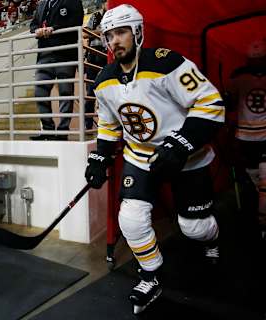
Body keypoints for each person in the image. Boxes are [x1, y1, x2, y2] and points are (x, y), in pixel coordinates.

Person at [85, 4, 225, 314]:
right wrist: (99, 156)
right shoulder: (104, 80)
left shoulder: (168, 63)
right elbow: (109, 125)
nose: (115, 41)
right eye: (109, 35)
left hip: (187, 156)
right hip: (142, 157)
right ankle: (151, 274)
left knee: (194, 228)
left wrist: (181, 143)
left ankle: (212, 239)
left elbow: (210, 104)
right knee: (131, 219)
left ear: (137, 32)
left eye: (121, 32)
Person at [227, 39, 266, 239]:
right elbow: (229, 103)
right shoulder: (240, 76)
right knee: (262, 182)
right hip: (248, 137)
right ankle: (264, 221)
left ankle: (263, 224)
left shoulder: (240, 75)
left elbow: (229, 103)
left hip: (265, 136)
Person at [29, 0, 84, 140]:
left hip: (65, 54)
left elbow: (76, 21)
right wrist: (37, 30)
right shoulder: (42, 4)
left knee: (66, 93)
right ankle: (47, 129)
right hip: (45, 55)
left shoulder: (73, 1)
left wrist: (54, 28)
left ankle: (62, 131)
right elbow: (33, 24)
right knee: (40, 92)